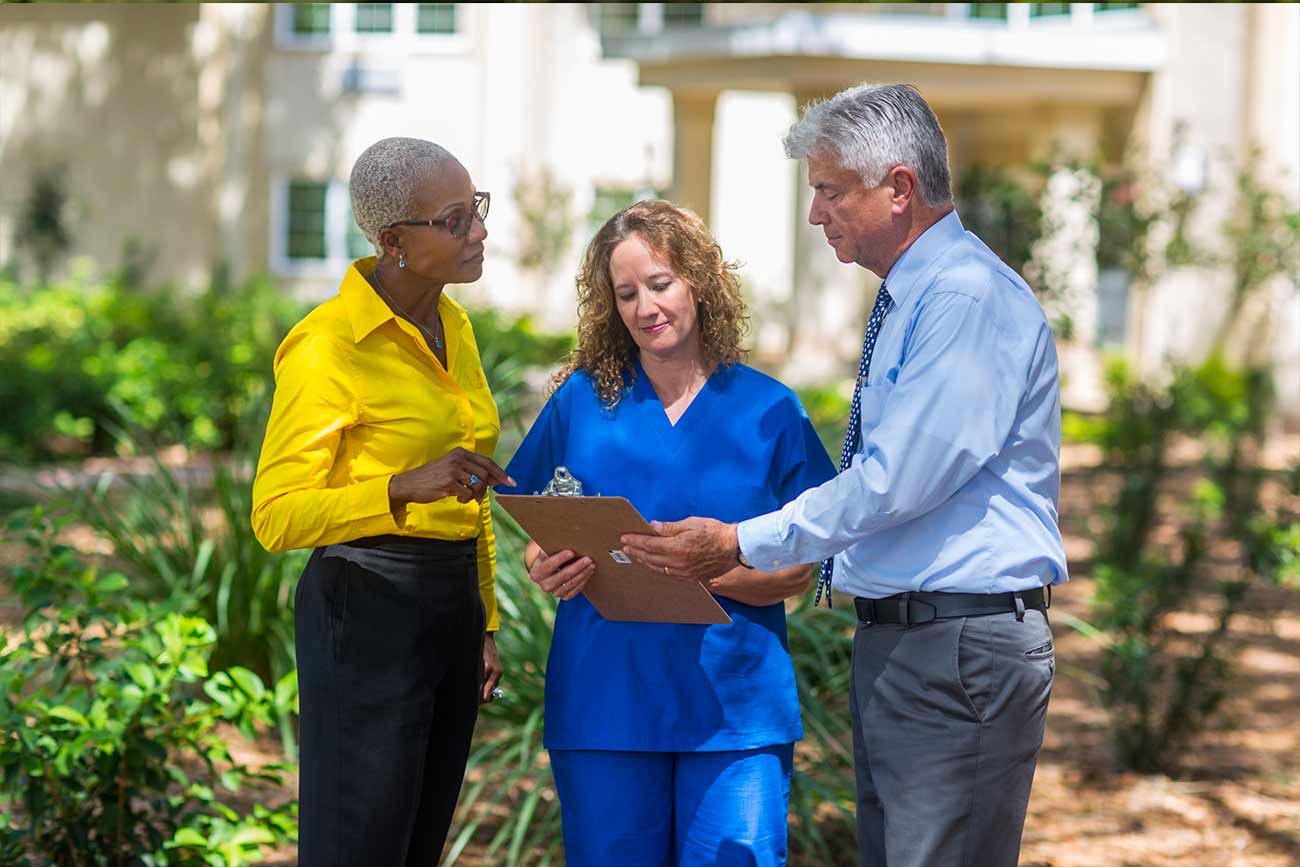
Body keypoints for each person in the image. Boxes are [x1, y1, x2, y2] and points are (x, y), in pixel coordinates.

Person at [621, 84, 1068, 867]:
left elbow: (898, 480)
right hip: (915, 641)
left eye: (830, 191)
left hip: (955, 646)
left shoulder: (962, 298)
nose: (815, 214)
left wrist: (737, 539)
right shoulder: (915, 297)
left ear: (898, 188)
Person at [496, 200, 835, 866]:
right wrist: (548, 565)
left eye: (660, 283)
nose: (645, 306)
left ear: (699, 283)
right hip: (604, 704)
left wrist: (702, 566)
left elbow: (802, 565)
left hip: (734, 710)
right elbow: (540, 525)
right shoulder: (581, 403)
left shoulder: (769, 409)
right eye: (626, 293)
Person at [250, 137, 513, 867]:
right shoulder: (326, 346)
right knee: (358, 844)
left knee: (418, 843)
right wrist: (398, 486)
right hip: (366, 608)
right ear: (394, 240)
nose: (480, 232)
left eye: (478, 209)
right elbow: (275, 514)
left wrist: (483, 618)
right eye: (456, 219)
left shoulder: (452, 324)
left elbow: (469, 485)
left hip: (450, 606)